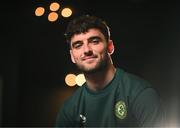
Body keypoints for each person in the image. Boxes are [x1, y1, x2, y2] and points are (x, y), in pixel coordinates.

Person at [55, 15, 165, 127]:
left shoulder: (140, 93)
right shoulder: (70, 109)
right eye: (78, 45)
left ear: (110, 47)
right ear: (72, 56)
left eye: (94, 41)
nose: (87, 50)